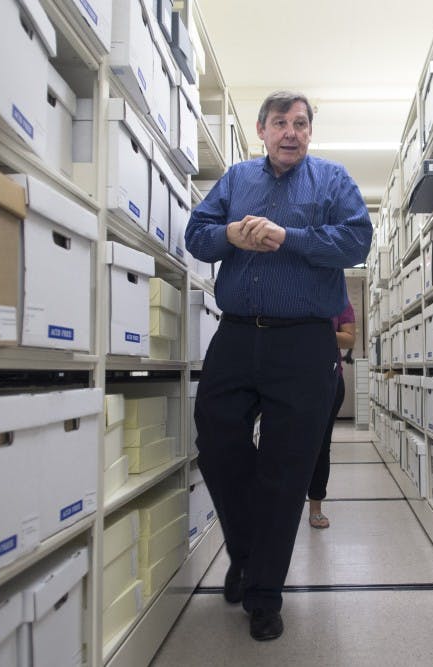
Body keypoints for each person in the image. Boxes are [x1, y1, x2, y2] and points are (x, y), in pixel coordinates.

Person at [184, 90, 372, 641]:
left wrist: (288, 237)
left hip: (305, 344)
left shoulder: (333, 181)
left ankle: (264, 592)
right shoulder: (237, 180)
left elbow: (357, 239)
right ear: (261, 130)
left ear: (310, 132)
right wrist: (229, 235)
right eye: (280, 123)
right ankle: (246, 554)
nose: (291, 131)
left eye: (301, 123)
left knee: (286, 470)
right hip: (238, 335)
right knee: (217, 446)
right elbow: (196, 235)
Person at [307, 298, 356, 529]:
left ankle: (315, 508)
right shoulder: (295, 292)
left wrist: (320, 333)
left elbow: (349, 338)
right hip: (291, 379)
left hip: (329, 380)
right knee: (285, 443)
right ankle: (279, 504)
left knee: (319, 444)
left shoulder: (339, 301)